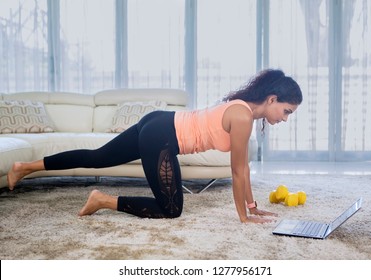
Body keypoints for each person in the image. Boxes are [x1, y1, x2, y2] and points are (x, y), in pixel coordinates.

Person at [7, 69, 302, 224]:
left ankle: (25, 167)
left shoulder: (241, 109)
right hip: (162, 137)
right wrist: (244, 216)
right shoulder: (242, 116)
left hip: (159, 123)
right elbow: (238, 171)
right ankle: (102, 200)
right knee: (170, 210)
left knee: (98, 157)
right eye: (287, 111)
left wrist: (253, 206)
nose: (285, 119)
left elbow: (244, 169)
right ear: (273, 99)